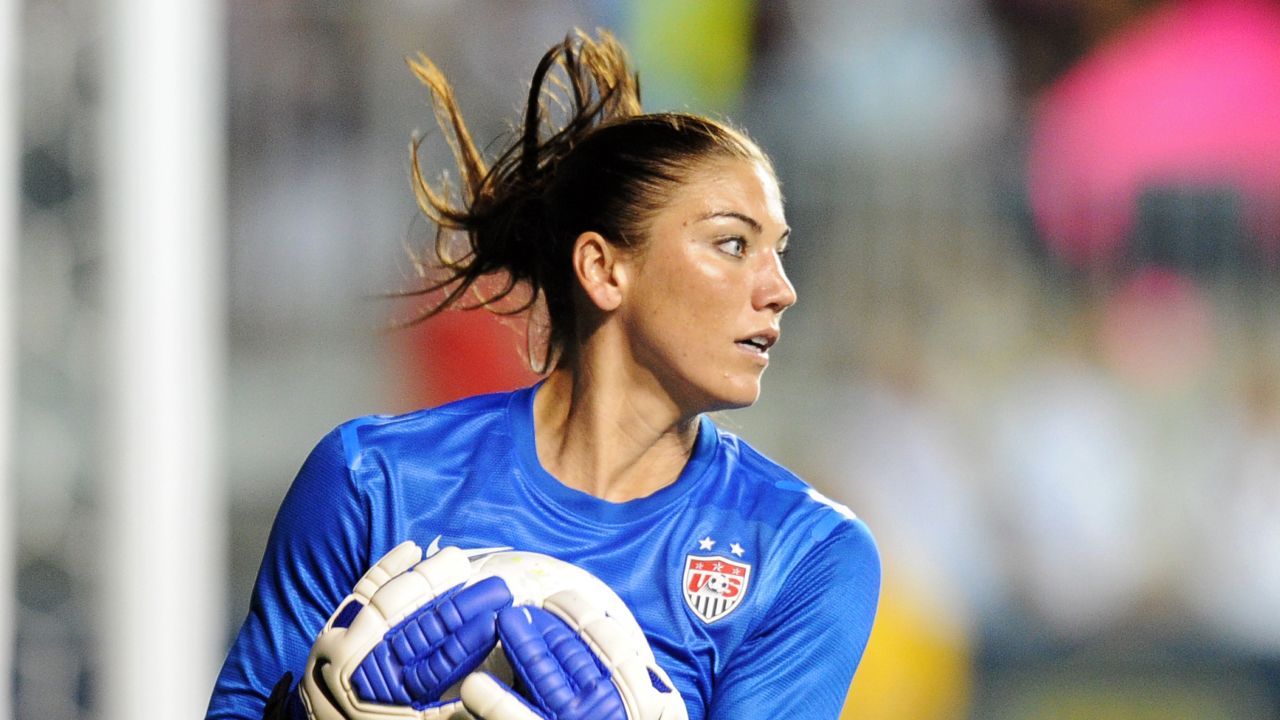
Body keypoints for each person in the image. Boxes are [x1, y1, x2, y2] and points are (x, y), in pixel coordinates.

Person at [206, 30, 880, 720]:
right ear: (603, 270)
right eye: (734, 244)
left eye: (779, 250)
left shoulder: (804, 552)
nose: (780, 288)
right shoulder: (373, 479)